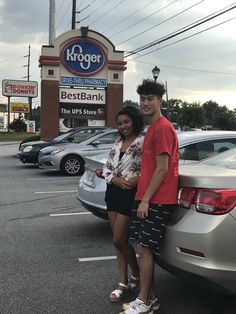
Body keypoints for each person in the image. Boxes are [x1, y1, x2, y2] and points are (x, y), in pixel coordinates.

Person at [120, 80, 179, 314]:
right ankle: (149, 300)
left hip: (155, 200)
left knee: (145, 251)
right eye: (142, 99)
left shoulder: (163, 128)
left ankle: (144, 303)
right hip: (145, 197)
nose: (145, 103)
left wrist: (145, 200)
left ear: (160, 100)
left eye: (150, 98)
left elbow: (163, 168)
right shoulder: (151, 128)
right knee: (143, 250)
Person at [102, 105, 145, 303]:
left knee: (119, 239)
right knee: (118, 242)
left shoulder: (143, 141)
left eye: (126, 122)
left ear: (134, 121)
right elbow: (106, 168)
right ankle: (122, 283)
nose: (123, 126)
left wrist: (139, 179)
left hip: (130, 193)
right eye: (120, 123)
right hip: (113, 191)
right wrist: (114, 180)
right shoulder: (118, 141)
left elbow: (151, 168)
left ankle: (136, 273)